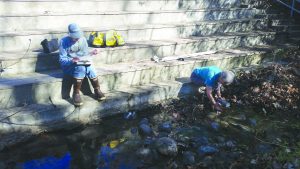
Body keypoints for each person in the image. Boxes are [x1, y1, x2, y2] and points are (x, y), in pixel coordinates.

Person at [59, 23, 105, 106]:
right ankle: (76, 93)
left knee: (90, 66)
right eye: (75, 37)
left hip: (80, 62)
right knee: (81, 68)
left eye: (78, 36)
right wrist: (72, 60)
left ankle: (97, 89)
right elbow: (62, 60)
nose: (77, 39)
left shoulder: (83, 39)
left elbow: (85, 54)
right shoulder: (63, 42)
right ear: (69, 34)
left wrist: (91, 53)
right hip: (69, 65)